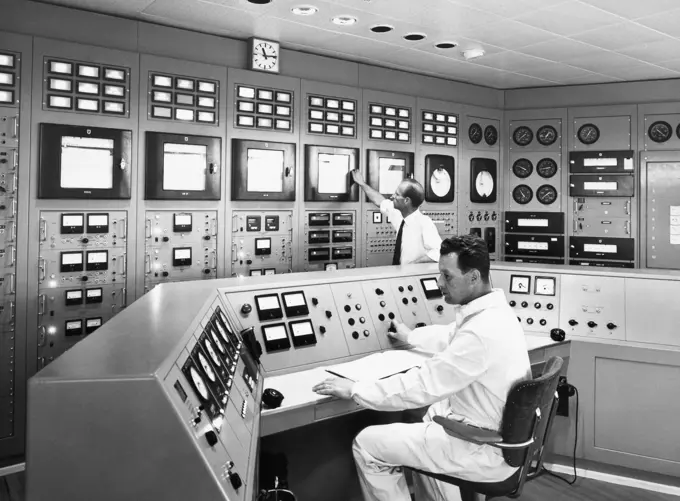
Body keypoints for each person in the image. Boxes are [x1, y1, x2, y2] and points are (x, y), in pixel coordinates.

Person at [312, 235, 531, 501]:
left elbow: (423, 385)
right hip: (496, 438)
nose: (440, 284)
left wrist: (357, 389)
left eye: (447, 276)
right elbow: (453, 335)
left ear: (473, 277)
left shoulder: (479, 334)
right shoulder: (495, 314)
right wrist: (412, 338)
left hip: (482, 448)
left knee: (368, 444)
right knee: (430, 416)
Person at [351, 169, 441, 265]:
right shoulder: (398, 213)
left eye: (397, 194)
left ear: (406, 200)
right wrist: (361, 183)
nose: (392, 196)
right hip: (401, 274)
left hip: (412, 276)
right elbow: (379, 201)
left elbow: (439, 252)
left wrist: (414, 264)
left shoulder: (424, 222)